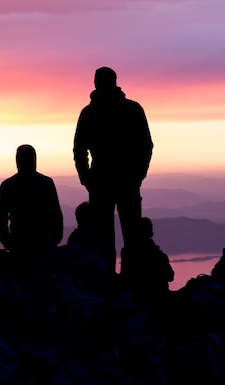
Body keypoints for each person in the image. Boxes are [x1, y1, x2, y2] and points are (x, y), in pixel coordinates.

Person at [73, 66, 153, 274]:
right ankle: (131, 281)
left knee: (109, 237)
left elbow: (79, 149)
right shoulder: (131, 109)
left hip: (107, 180)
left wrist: (87, 178)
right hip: (116, 180)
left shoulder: (91, 112)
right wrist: (137, 175)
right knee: (123, 235)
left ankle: (113, 281)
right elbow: (145, 146)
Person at [0, 144, 64, 269]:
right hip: (44, 241)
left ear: (17, 160)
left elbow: (1, 219)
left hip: (19, 242)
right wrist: (55, 238)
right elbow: (56, 214)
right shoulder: (46, 183)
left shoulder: (7, 185)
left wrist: (8, 242)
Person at [120, 217, 174, 298]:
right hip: (157, 297)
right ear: (150, 232)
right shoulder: (159, 255)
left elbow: (124, 277)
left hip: (135, 296)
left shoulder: (127, 252)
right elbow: (170, 276)